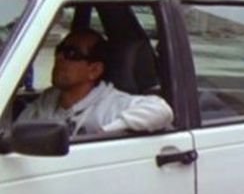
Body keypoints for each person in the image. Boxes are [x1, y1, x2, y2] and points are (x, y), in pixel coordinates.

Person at [16, 28, 173, 137]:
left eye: (71, 53)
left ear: (94, 70)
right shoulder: (48, 100)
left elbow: (161, 110)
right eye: (59, 50)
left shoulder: (112, 104)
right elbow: (16, 134)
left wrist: (105, 133)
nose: (59, 58)